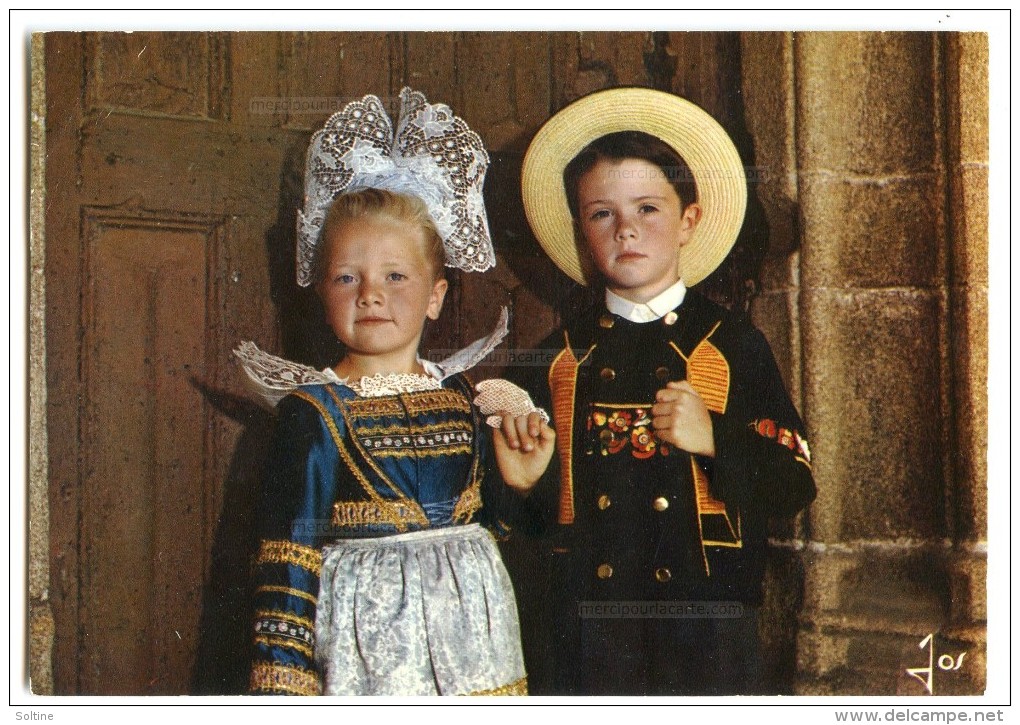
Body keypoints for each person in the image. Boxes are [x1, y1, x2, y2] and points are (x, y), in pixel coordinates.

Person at [235, 88, 554, 696]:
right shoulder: (314, 413)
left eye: (395, 276)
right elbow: (288, 555)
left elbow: (501, 526)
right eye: (347, 277)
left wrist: (520, 484)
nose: (370, 294)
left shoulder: (465, 399)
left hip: (475, 640)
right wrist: (282, 689)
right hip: (372, 648)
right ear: (322, 293)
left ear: (435, 296)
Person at [511, 87, 816, 695]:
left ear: (689, 220)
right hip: (587, 625)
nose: (625, 228)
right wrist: (523, 484)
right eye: (601, 213)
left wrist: (715, 439)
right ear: (581, 231)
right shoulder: (558, 355)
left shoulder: (732, 345)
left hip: (709, 621)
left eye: (647, 207)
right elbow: (528, 520)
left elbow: (794, 480)